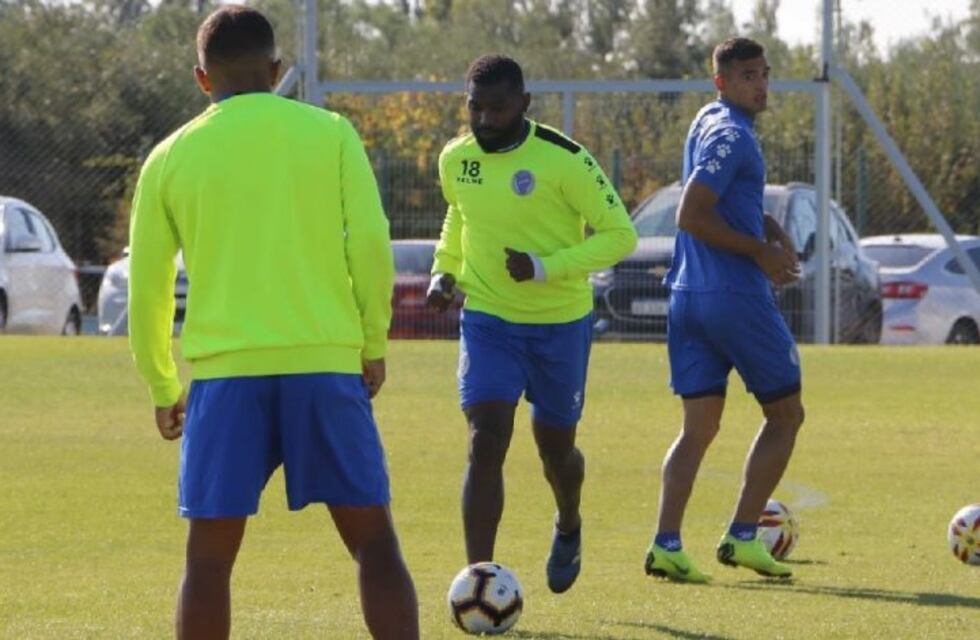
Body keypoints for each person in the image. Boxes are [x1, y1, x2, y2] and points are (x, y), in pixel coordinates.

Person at [127, 6, 418, 638]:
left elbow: (147, 288)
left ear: (202, 79)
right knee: (374, 541)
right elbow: (370, 242)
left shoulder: (169, 157)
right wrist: (372, 341)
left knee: (207, 559)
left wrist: (161, 384)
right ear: (277, 69)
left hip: (227, 377)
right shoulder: (332, 132)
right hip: (325, 366)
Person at [426, 54, 637, 594]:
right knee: (486, 436)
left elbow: (620, 234)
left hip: (559, 324)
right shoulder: (456, 158)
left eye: (498, 108)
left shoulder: (565, 160)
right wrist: (444, 271)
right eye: (476, 108)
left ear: (524, 103)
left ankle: (569, 521)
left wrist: (545, 268)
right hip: (490, 318)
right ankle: (479, 580)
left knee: (556, 449)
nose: (486, 120)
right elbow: (460, 214)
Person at [643, 37, 805, 583]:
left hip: (686, 297)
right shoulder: (733, 134)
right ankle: (741, 535)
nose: (759, 85)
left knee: (698, 428)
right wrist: (760, 251)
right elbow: (691, 214)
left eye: (763, 74)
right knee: (786, 414)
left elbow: (726, 200)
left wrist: (769, 226)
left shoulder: (707, 120)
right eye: (746, 76)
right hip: (732, 298)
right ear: (721, 82)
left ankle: (666, 544)